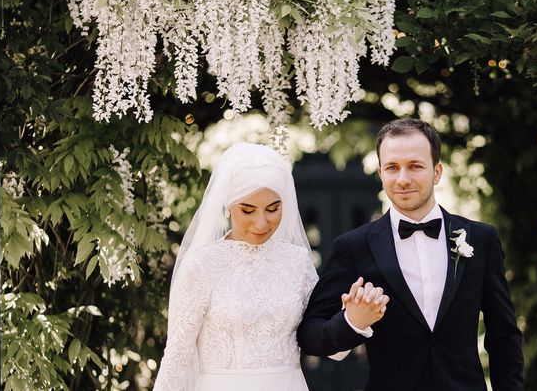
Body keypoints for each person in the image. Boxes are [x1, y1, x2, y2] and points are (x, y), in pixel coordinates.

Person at [297, 118, 525, 391]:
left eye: (415, 166)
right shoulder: (353, 246)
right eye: (392, 168)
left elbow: (503, 336)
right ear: (381, 173)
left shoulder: (481, 239)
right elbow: (311, 335)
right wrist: (352, 322)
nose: (402, 179)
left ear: (437, 172)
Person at [153, 142, 388, 391]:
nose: (261, 222)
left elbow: (329, 348)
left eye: (273, 209)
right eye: (248, 210)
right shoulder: (201, 266)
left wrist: (352, 319)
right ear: (228, 205)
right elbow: (178, 356)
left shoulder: (296, 262)